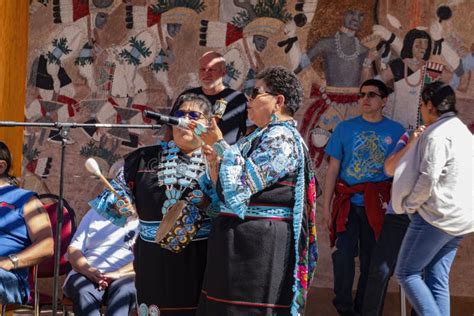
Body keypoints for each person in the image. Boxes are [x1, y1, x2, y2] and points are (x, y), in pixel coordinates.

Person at [196, 66, 318, 315]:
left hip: (259, 247)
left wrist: (219, 144)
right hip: (241, 242)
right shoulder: (260, 136)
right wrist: (214, 161)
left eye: (255, 93)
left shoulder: (283, 138)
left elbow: (242, 187)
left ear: (278, 101)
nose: (248, 100)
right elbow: (226, 188)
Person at [89, 93, 213, 315]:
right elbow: (113, 202)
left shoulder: (220, 161)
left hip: (201, 255)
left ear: (209, 124)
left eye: (194, 115)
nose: (185, 119)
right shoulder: (142, 159)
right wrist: (122, 206)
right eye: (180, 114)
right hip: (153, 258)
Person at [322, 79, 404, 315]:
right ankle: (345, 308)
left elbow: (401, 172)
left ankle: (366, 310)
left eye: (371, 95)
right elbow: (333, 171)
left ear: (384, 101)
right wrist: (326, 209)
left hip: (378, 207)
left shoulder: (396, 131)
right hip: (349, 204)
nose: (364, 99)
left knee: (373, 263)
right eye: (361, 95)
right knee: (343, 257)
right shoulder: (344, 128)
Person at [393, 82, 473, 316]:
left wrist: (410, 205)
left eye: (422, 106)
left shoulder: (437, 134)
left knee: (407, 273)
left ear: (429, 105)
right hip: (461, 220)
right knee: (437, 276)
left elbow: (428, 178)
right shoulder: (463, 131)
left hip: (436, 218)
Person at [361, 127, 425, 316]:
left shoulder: (448, 136)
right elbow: (389, 168)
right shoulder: (409, 135)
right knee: (379, 270)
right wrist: (412, 142)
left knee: (424, 276)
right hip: (398, 213)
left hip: (427, 217)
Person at [295, 9, 369, 169]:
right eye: (351, 13)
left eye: (360, 14)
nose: (356, 18)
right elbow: (300, 66)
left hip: (355, 107)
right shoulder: (326, 44)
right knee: (318, 143)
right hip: (329, 103)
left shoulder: (364, 50)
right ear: (339, 14)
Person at [0, 141, 54, 305]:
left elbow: (46, 246)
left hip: (8, 276)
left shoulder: (26, 200)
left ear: (1, 166)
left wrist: (9, 262)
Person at [63, 206, 139, 315]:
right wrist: (88, 270)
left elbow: (147, 259)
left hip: (126, 275)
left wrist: (118, 273)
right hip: (86, 272)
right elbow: (73, 249)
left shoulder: (144, 219)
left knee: (125, 291)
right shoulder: (95, 212)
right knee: (83, 290)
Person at [170, 51, 248, 145]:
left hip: (224, 156)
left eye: (211, 70)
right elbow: (170, 126)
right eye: (202, 69)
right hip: (189, 156)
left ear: (223, 72)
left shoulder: (237, 99)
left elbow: (249, 130)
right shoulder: (188, 96)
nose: (206, 74)